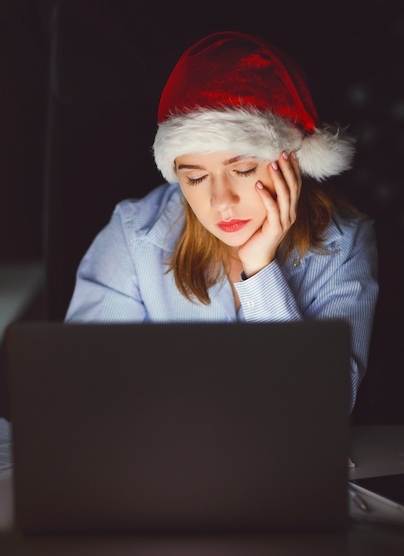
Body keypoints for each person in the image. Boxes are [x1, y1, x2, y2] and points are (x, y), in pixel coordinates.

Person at [65, 31, 379, 411]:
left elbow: (323, 409)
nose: (220, 201)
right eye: (195, 178)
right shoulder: (134, 234)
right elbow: (79, 388)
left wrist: (260, 270)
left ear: (292, 162)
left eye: (244, 169)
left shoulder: (345, 243)